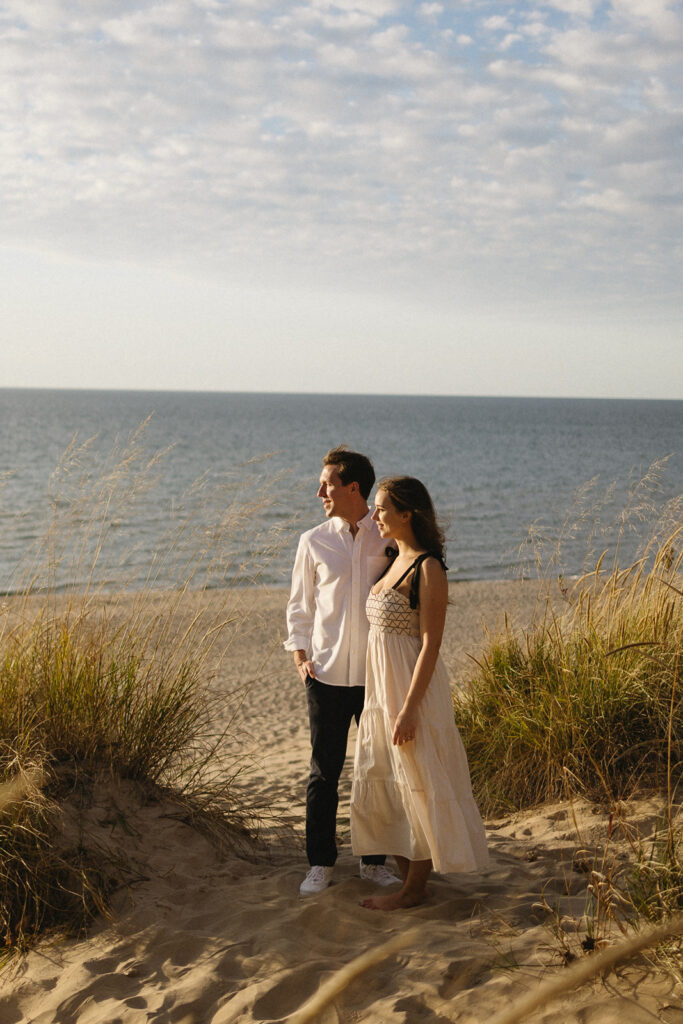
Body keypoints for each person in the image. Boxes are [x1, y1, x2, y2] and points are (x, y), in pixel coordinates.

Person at [350, 476, 489, 910]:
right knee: (387, 783)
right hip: (380, 692)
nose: (375, 516)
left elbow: (431, 643)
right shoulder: (392, 558)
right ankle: (411, 881)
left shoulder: (427, 567)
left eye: (382, 509)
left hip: (411, 691)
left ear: (407, 513)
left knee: (420, 781)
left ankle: (413, 889)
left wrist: (409, 709)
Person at [285, 446, 401, 895]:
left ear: (353, 487)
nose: (320, 492)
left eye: (328, 484)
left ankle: (374, 863)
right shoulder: (313, 540)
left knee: (376, 771)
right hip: (326, 675)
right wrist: (300, 659)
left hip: (376, 675)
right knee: (323, 772)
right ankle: (320, 864)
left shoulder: (387, 536)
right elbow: (300, 605)